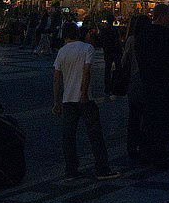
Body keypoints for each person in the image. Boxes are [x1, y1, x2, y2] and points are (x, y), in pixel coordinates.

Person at [52, 22, 120, 181]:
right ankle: (102, 169)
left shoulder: (61, 51)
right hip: (85, 99)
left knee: (68, 136)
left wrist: (56, 101)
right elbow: (87, 70)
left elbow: (56, 78)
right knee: (95, 135)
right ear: (78, 33)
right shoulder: (86, 48)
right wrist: (83, 93)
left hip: (67, 99)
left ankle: (71, 170)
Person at [135, 3, 169, 169]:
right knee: (161, 121)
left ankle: (145, 153)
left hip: (149, 82)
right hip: (164, 82)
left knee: (149, 120)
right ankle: (159, 156)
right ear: (162, 16)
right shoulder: (168, 35)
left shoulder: (143, 34)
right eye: (168, 16)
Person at [121, 14, 148, 161]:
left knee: (134, 116)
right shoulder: (149, 38)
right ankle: (144, 144)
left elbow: (124, 60)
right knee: (146, 114)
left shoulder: (131, 39)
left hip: (134, 79)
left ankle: (132, 146)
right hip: (146, 79)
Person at [99, 13, 123, 97]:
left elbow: (101, 40)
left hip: (108, 52)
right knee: (118, 69)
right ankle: (117, 87)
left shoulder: (104, 30)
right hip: (116, 51)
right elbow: (118, 41)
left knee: (107, 70)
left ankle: (107, 89)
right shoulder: (115, 30)